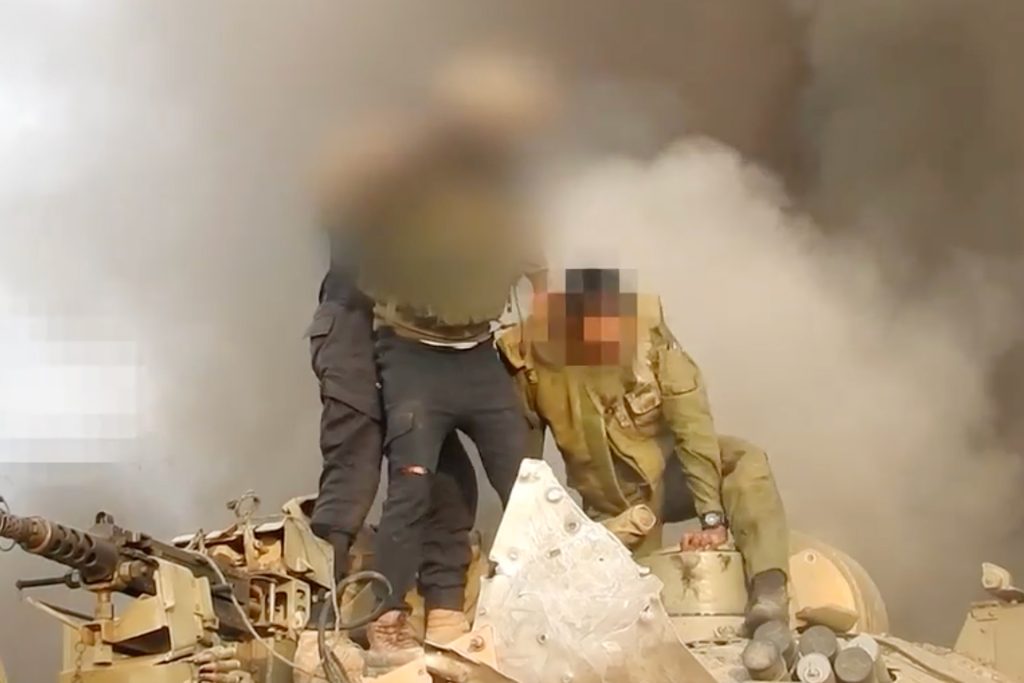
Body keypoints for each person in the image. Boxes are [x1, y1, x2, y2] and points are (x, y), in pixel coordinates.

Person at [318, 53, 557, 668]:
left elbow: (534, 261)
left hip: (476, 358)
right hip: (413, 359)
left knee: (529, 484)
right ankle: (388, 614)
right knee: (412, 487)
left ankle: (554, 603)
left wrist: (540, 317)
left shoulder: (501, 197)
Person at [495, 267, 791, 632]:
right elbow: (522, 466)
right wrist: (530, 543)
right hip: (613, 505)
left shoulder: (651, 342)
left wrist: (711, 520)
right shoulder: (531, 362)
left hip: (672, 474)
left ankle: (769, 592)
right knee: (634, 614)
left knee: (746, 460)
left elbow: (693, 428)